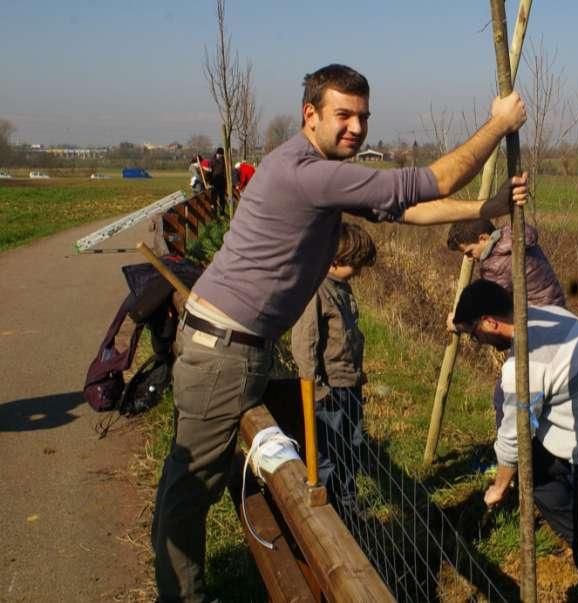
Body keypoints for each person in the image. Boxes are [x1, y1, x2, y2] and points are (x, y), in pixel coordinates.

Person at [151, 63, 527, 602]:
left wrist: (485, 209)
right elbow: (434, 180)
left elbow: (408, 207)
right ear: (311, 114)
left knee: (187, 480)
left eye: (363, 117)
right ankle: (183, 596)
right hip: (225, 351)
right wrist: (498, 124)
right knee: (192, 488)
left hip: (227, 342)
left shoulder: (312, 170)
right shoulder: (311, 174)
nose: (355, 127)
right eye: (342, 115)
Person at [453, 279, 578, 602]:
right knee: (538, 474)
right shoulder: (543, 314)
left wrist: (500, 486)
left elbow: (513, 438)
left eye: (476, 336)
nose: (480, 343)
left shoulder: (527, 364)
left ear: (490, 323)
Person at [445, 218, 566, 430]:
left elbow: (489, 314)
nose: (470, 259)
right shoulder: (515, 237)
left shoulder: (496, 264)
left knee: (505, 399)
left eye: (469, 252)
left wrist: (458, 323)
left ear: (483, 238)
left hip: (534, 330)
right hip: (556, 319)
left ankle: (511, 458)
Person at [290, 221, 375, 516]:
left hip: (349, 382)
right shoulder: (316, 291)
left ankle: (348, 503)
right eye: (356, 265)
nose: (360, 272)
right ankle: (327, 515)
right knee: (327, 453)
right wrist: (314, 387)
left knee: (351, 445)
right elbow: (305, 343)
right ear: (336, 261)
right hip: (328, 391)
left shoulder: (340, 286)